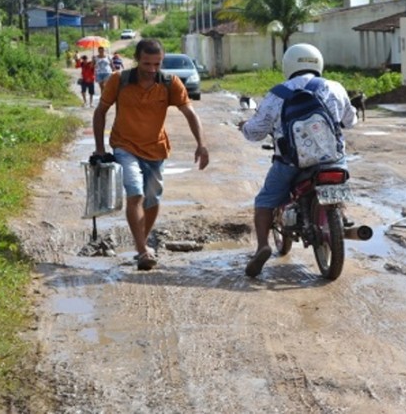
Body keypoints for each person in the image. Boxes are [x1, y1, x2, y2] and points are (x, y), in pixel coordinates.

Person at [237, 43, 357, 277]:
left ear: (288, 65)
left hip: (291, 163)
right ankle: (339, 214)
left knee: (265, 201)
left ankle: (262, 246)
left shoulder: (277, 93)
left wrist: (244, 127)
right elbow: (350, 121)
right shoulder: (335, 87)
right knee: (338, 178)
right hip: (333, 161)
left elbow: (256, 132)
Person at [92, 38, 209, 271]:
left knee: (153, 198)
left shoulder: (169, 82)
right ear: (137, 60)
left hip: (156, 149)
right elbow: (101, 111)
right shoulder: (119, 80)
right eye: (147, 64)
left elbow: (189, 112)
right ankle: (142, 250)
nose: (152, 70)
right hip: (124, 146)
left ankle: (141, 244)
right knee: (135, 193)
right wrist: (100, 148)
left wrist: (201, 144)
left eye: (157, 64)